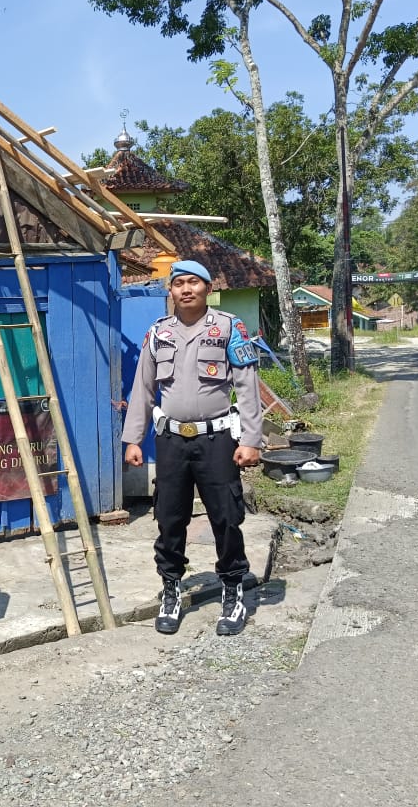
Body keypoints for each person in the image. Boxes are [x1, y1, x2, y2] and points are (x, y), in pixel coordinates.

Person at [122, 260, 263, 637]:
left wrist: (251, 440)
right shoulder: (159, 332)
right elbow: (143, 388)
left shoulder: (229, 328)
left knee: (226, 517)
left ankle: (232, 591)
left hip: (217, 440)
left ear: (207, 288)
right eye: (179, 283)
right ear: (170, 290)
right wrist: (133, 439)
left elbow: (248, 387)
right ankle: (171, 588)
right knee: (169, 518)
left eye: (194, 283)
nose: (186, 289)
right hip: (170, 441)